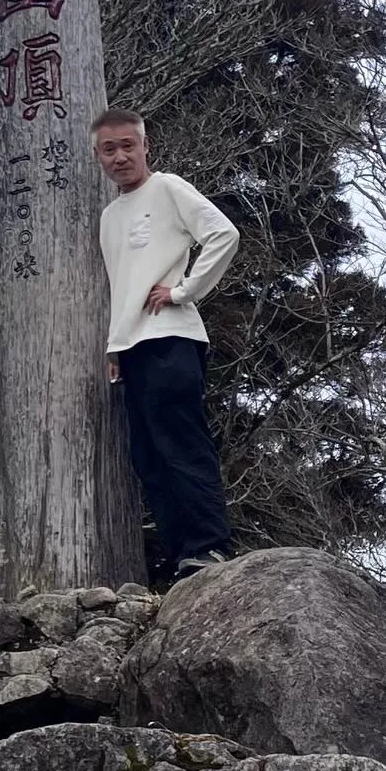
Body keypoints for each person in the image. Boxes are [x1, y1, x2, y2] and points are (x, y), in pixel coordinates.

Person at [93, 109, 239, 580]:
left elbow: (223, 234)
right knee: (148, 456)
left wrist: (184, 291)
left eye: (127, 145)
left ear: (144, 145)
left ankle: (211, 546)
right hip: (132, 348)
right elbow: (123, 285)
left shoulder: (169, 187)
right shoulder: (110, 215)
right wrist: (115, 346)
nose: (120, 156)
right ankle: (182, 556)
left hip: (172, 337)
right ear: (98, 156)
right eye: (109, 149)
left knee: (181, 443)